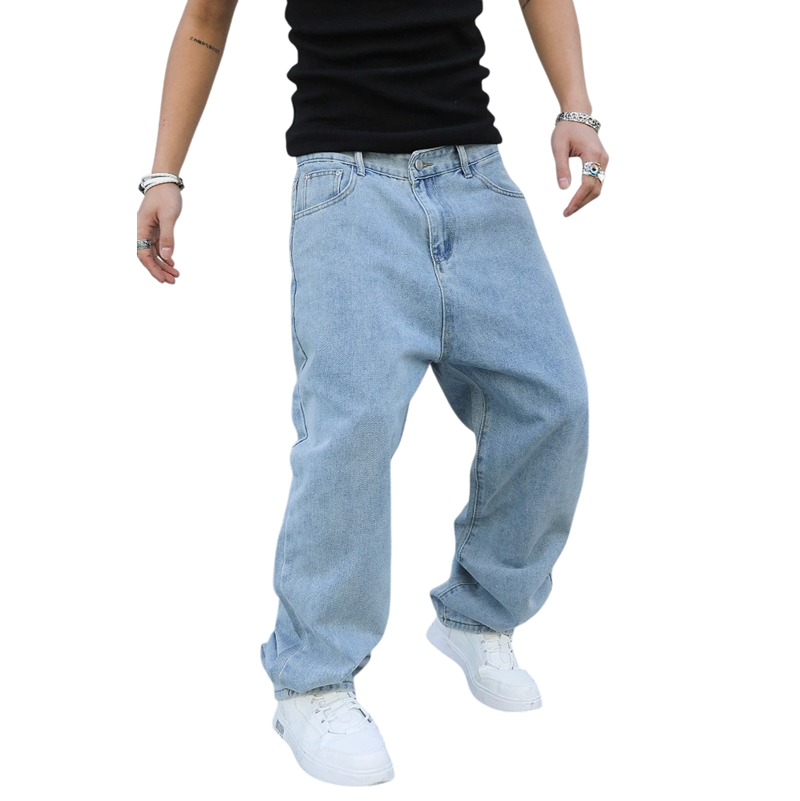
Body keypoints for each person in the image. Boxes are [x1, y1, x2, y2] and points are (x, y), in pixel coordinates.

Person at [136, 0, 608, 787]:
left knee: (554, 404)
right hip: (346, 186)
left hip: (474, 173)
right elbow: (206, 20)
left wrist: (575, 109)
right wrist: (164, 174)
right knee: (350, 432)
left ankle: (480, 614)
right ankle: (312, 682)